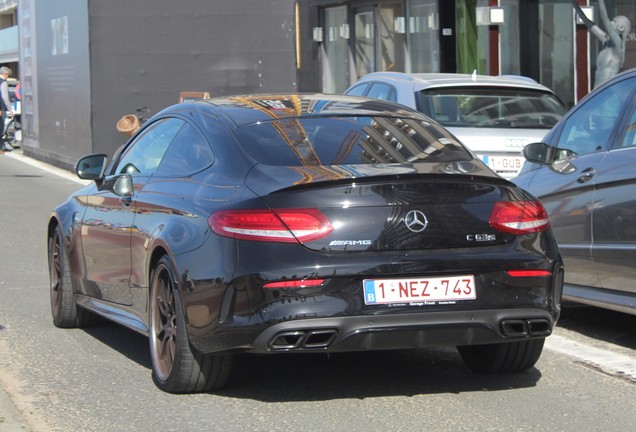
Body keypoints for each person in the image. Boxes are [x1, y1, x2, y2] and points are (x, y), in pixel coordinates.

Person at [571, 0, 632, 88]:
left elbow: (604, 18)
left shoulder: (618, 46)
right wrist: (573, 3)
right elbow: (587, 22)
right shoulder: (606, 41)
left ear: (621, 28)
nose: (611, 22)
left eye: (614, 21)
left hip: (609, 93)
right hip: (597, 92)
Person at [0, 66, 14, 152]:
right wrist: (10, 109)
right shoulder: (3, 83)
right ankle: (2, 146)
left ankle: (2, 145)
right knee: (1, 128)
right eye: (8, 75)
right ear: (5, 74)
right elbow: (5, 97)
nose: (8, 77)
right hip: (1, 109)